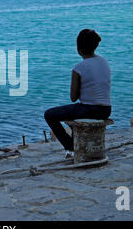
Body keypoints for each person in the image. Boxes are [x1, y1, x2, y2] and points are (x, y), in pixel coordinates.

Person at [44, 29, 111, 159]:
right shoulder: (104, 61)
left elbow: (73, 98)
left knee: (49, 115)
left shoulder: (78, 68)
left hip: (89, 110)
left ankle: (70, 146)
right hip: (106, 110)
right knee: (76, 111)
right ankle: (75, 146)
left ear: (79, 49)